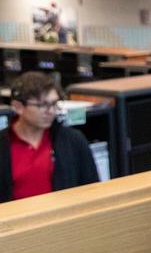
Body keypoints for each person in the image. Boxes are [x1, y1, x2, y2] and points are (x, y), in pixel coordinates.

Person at [2, 72, 98, 202]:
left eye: (54, 103)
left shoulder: (73, 140)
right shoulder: (3, 145)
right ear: (18, 107)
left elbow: (92, 190)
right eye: (42, 105)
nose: (51, 111)